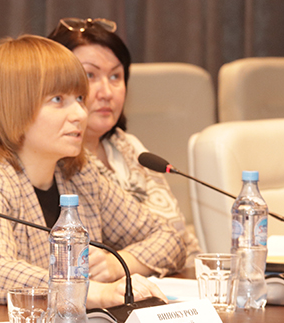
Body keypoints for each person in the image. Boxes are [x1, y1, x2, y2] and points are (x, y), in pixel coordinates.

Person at [0, 35, 181, 313]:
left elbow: (170, 237)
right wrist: (94, 292)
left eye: (79, 98)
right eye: (58, 100)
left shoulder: (79, 173)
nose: (80, 114)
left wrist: (117, 263)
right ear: (13, 107)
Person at [47, 17, 201, 280]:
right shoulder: (58, 162)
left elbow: (177, 239)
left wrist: (123, 263)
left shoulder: (128, 146)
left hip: (179, 281)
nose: (107, 92)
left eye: (115, 76)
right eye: (89, 75)